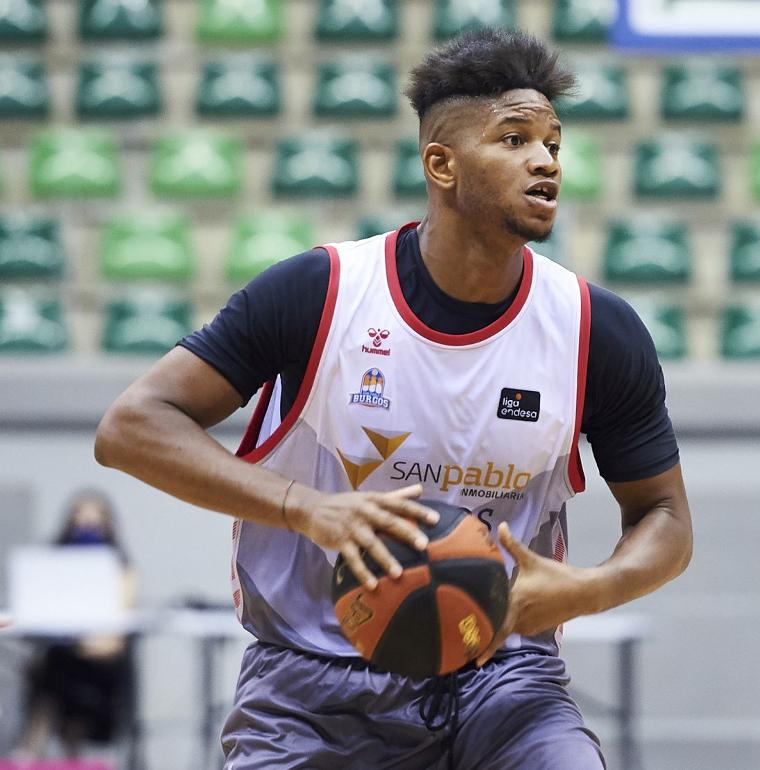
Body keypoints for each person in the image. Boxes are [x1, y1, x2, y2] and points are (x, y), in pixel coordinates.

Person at [95, 28, 693, 769]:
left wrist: (591, 588)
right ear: (441, 164)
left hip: (501, 676)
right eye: (514, 139)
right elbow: (130, 427)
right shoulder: (320, 293)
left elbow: (665, 516)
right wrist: (305, 508)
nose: (545, 161)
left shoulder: (594, 328)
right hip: (310, 683)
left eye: (553, 143)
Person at [17, 490, 136, 761]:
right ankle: (31, 752)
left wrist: (88, 640)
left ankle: (47, 751)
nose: (87, 523)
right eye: (81, 515)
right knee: (52, 667)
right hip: (63, 652)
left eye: (94, 517)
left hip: (101, 656)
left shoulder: (120, 566)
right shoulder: (55, 561)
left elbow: (115, 634)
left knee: (63, 670)